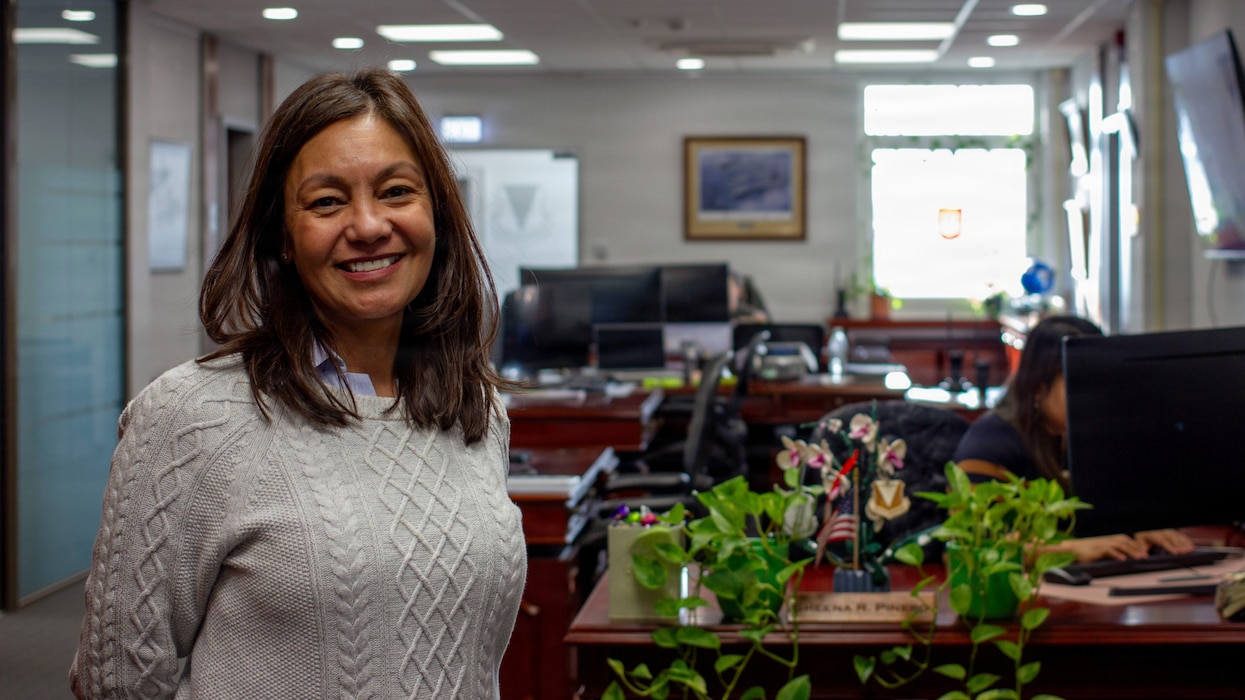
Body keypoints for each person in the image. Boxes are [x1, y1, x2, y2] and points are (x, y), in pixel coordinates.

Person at [70, 68, 526, 698]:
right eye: (327, 201)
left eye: (396, 191)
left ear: (437, 214)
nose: (368, 225)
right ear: (283, 237)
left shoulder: (472, 407)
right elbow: (117, 683)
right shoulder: (191, 417)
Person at [952, 315, 1193, 563]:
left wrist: (1140, 528)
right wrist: (1070, 549)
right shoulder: (990, 444)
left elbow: (1114, 515)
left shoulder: (1099, 437)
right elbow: (969, 546)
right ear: (1038, 387)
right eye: (1081, 382)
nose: (1097, 395)